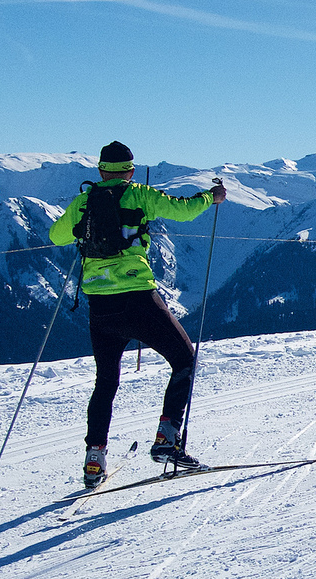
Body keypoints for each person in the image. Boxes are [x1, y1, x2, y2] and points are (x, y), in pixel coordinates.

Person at [50, 140, 226, 487]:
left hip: (99, 303)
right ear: (130, 170)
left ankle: (94, 460)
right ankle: (166, 440)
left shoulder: (83, 201)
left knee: (106, 382)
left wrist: (80, 229)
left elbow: (56, 236)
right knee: (184, 359)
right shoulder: (139, 194)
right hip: (138, 298)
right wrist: (211, 197)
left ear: (100, 170)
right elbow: (183, 211)